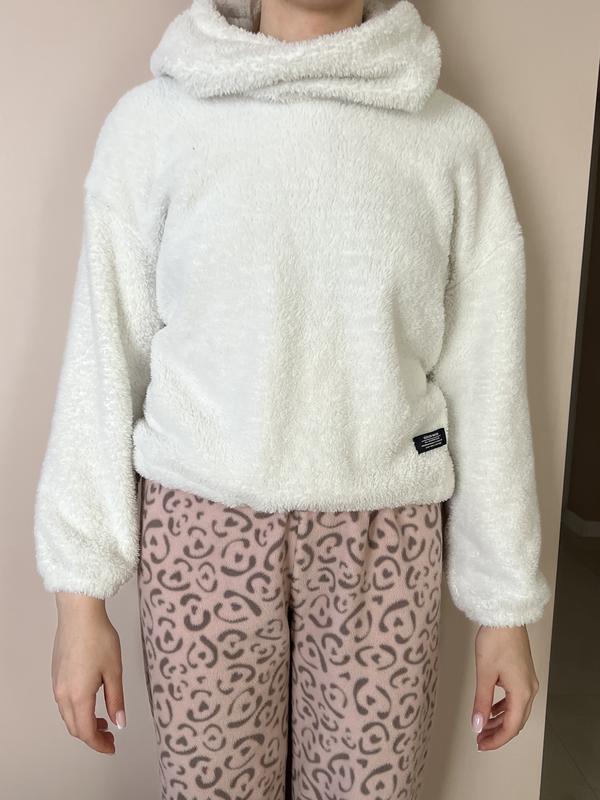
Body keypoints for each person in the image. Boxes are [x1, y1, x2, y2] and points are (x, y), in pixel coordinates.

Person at [33, 0, 553, 797]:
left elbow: (488, 383)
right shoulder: (154, 127)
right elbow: (103, 359)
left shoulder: (451, 143)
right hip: (201, 536)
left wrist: (505, 608)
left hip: (383, 545)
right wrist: (79, 597)